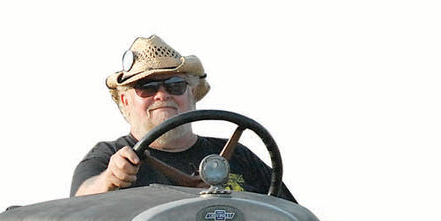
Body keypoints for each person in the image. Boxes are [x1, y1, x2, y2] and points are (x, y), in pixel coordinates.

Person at [71, 35, 292, 200]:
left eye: (175, 85)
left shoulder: (240, 157)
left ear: (192, 93)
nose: (162, 95)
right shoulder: (109, 158)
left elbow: (294, 216)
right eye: (146, 87)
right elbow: (79, 204)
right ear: (126, 101)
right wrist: (110, 179)